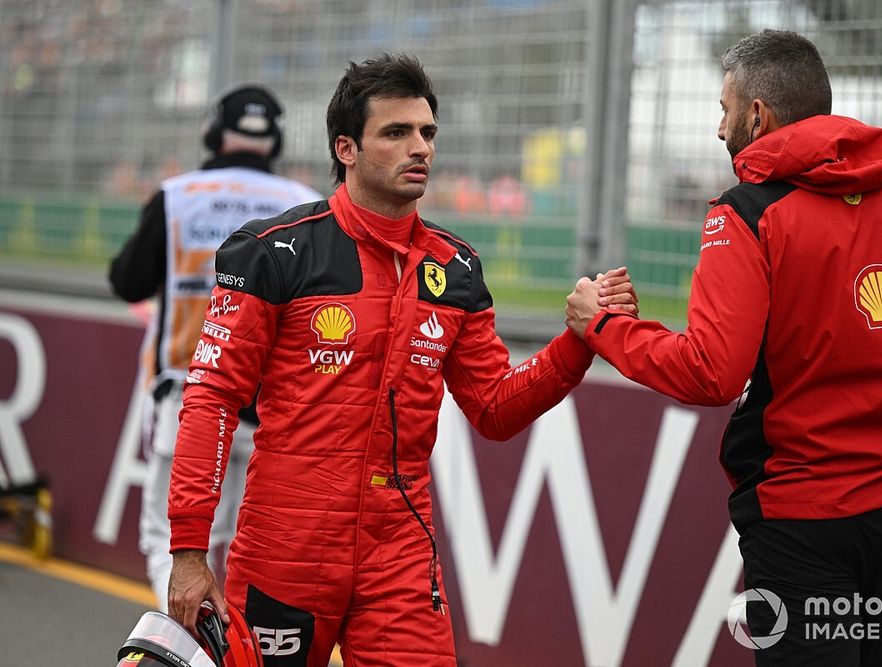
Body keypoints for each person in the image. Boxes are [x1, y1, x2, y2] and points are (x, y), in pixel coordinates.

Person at [165, 53, 636, 666]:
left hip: (401, 548)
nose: (420, 148)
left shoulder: (456, 268)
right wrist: (188, 550)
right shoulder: (273, 252)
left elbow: (495, 407)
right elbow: (212, 399)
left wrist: (578, 341)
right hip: (288, 542)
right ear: (347, 149)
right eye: (396, 132)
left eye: (427, 133)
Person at [566, 29, 882, 666]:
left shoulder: (745, 213)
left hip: (802, 521)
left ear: (756, 115)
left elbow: (711, 374)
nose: (719, 130)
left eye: (723, 110)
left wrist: (602, 328)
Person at [109, 83, 323, 611]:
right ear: (274, 139)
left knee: (171, 545)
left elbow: (127, 282)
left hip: (188, 396)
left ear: (212, 131)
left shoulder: (177, 196)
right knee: (228, 545)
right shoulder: (305, 205)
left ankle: (191, 651)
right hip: (270, 408)